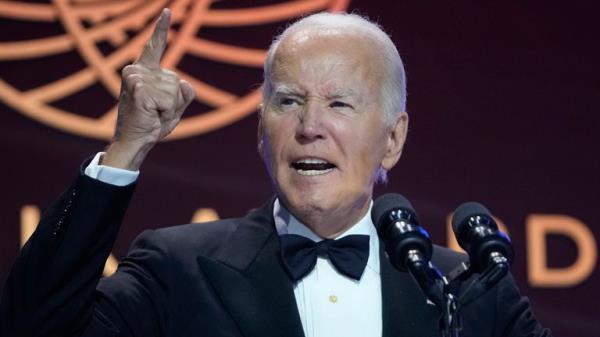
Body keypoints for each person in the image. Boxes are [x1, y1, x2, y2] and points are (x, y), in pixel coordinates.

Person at [0, 8, 550, 337]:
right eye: (287, 101)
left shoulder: (468, 291)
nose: (310, 126)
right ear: (260, 130)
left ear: (394, 138)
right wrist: (128, 146)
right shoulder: (178, 269)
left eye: (339, 104)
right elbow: (34, 328)